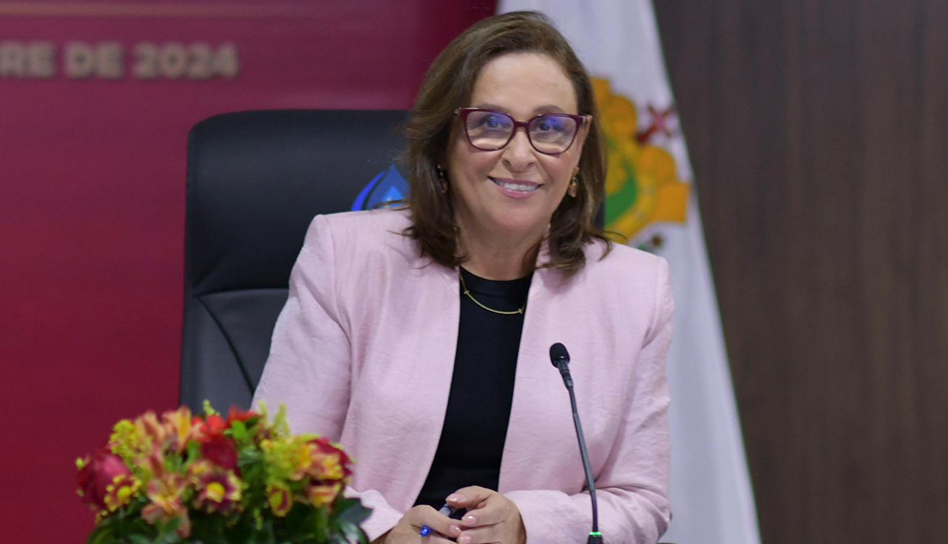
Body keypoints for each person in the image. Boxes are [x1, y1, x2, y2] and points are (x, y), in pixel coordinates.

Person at [253, 11, 673, 544]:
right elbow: (279, 462)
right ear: (443, 142)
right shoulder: (346, 258)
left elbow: (641, 502)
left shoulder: (635, 289)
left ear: (578, 147)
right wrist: (381, 533)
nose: (520, 155)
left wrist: (528, 525)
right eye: (490, 124)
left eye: (549, 128)